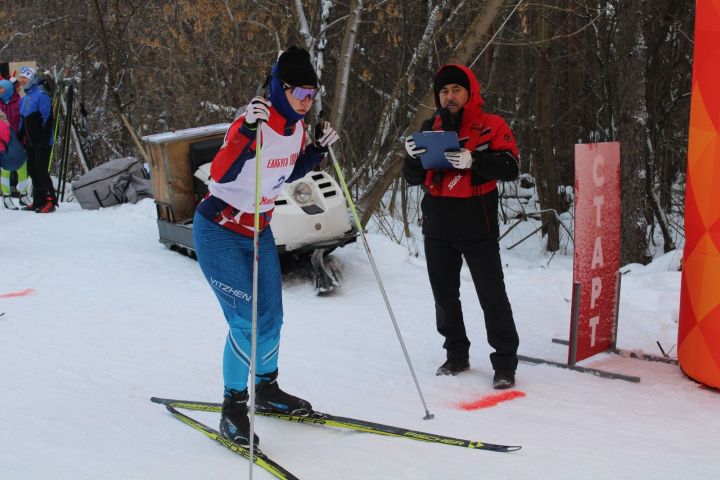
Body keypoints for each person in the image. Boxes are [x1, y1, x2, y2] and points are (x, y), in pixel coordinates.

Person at [193, 47, 339, 446]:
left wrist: (317, 151)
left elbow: (286, 172)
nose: (307, 104)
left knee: (271, 319)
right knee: (245, 323)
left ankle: (267, 390)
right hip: (219, 231)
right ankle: (233, 408)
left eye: (313, 95)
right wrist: (245, 131)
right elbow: (220, 173)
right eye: (301, 95)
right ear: (281, 88)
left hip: (259, 231)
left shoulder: (296, 129)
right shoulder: (252, 121)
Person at [403, 64, 520, 389]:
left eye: (455, 90)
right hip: (437, 221)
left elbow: (511, 166)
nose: (449, 96)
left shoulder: (491, 125)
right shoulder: (431, 127)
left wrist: (475, 161)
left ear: (469, 92)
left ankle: (505, 363)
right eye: (443, 92)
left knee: (492, 295)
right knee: (444, 295)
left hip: (476, 220)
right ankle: (456, 353)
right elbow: (412, 179)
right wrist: (411, 157)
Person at [17, 66, 56, 213]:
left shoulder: (41, 95)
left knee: (41, 171)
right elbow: (22, 122)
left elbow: (47, 119)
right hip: (30, 142)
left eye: (25, 78)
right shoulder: (25, 98)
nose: (22, 80)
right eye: (21, 77)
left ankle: (50, 201)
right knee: (33, 171)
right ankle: (38, 201)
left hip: (42, 141)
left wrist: (45, 140)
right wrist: (19, 139)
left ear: (32, 79)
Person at [0, 78, 31, 209]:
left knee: (22, 167)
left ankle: (24, 196)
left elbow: (24, 119)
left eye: (2, 89)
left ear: (9, 89)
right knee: (5, 168)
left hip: (19, 138)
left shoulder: (19, 101)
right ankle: (6, 197)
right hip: (4, 140)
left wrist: (23, 136)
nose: (0, 91)